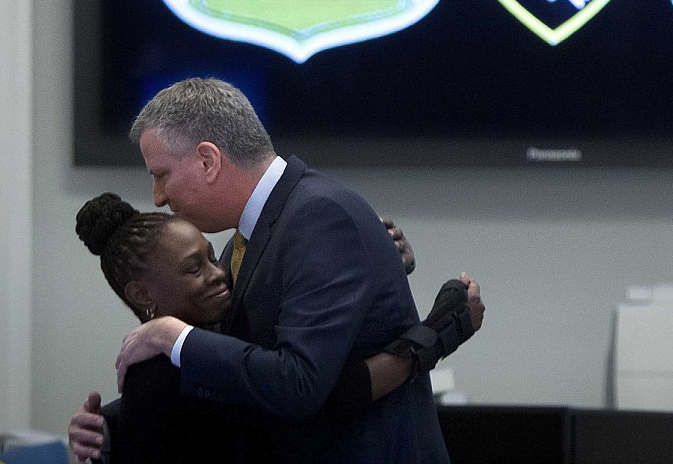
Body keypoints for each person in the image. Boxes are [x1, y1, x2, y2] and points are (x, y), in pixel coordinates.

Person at [72, 192, 482, 463]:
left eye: (213, 258)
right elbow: (321, 397)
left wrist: (366, 272)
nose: (218, 274)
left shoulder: (213, 337)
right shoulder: (178, 368)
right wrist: (439, 332)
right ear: (144, 295)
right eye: (193, 268)